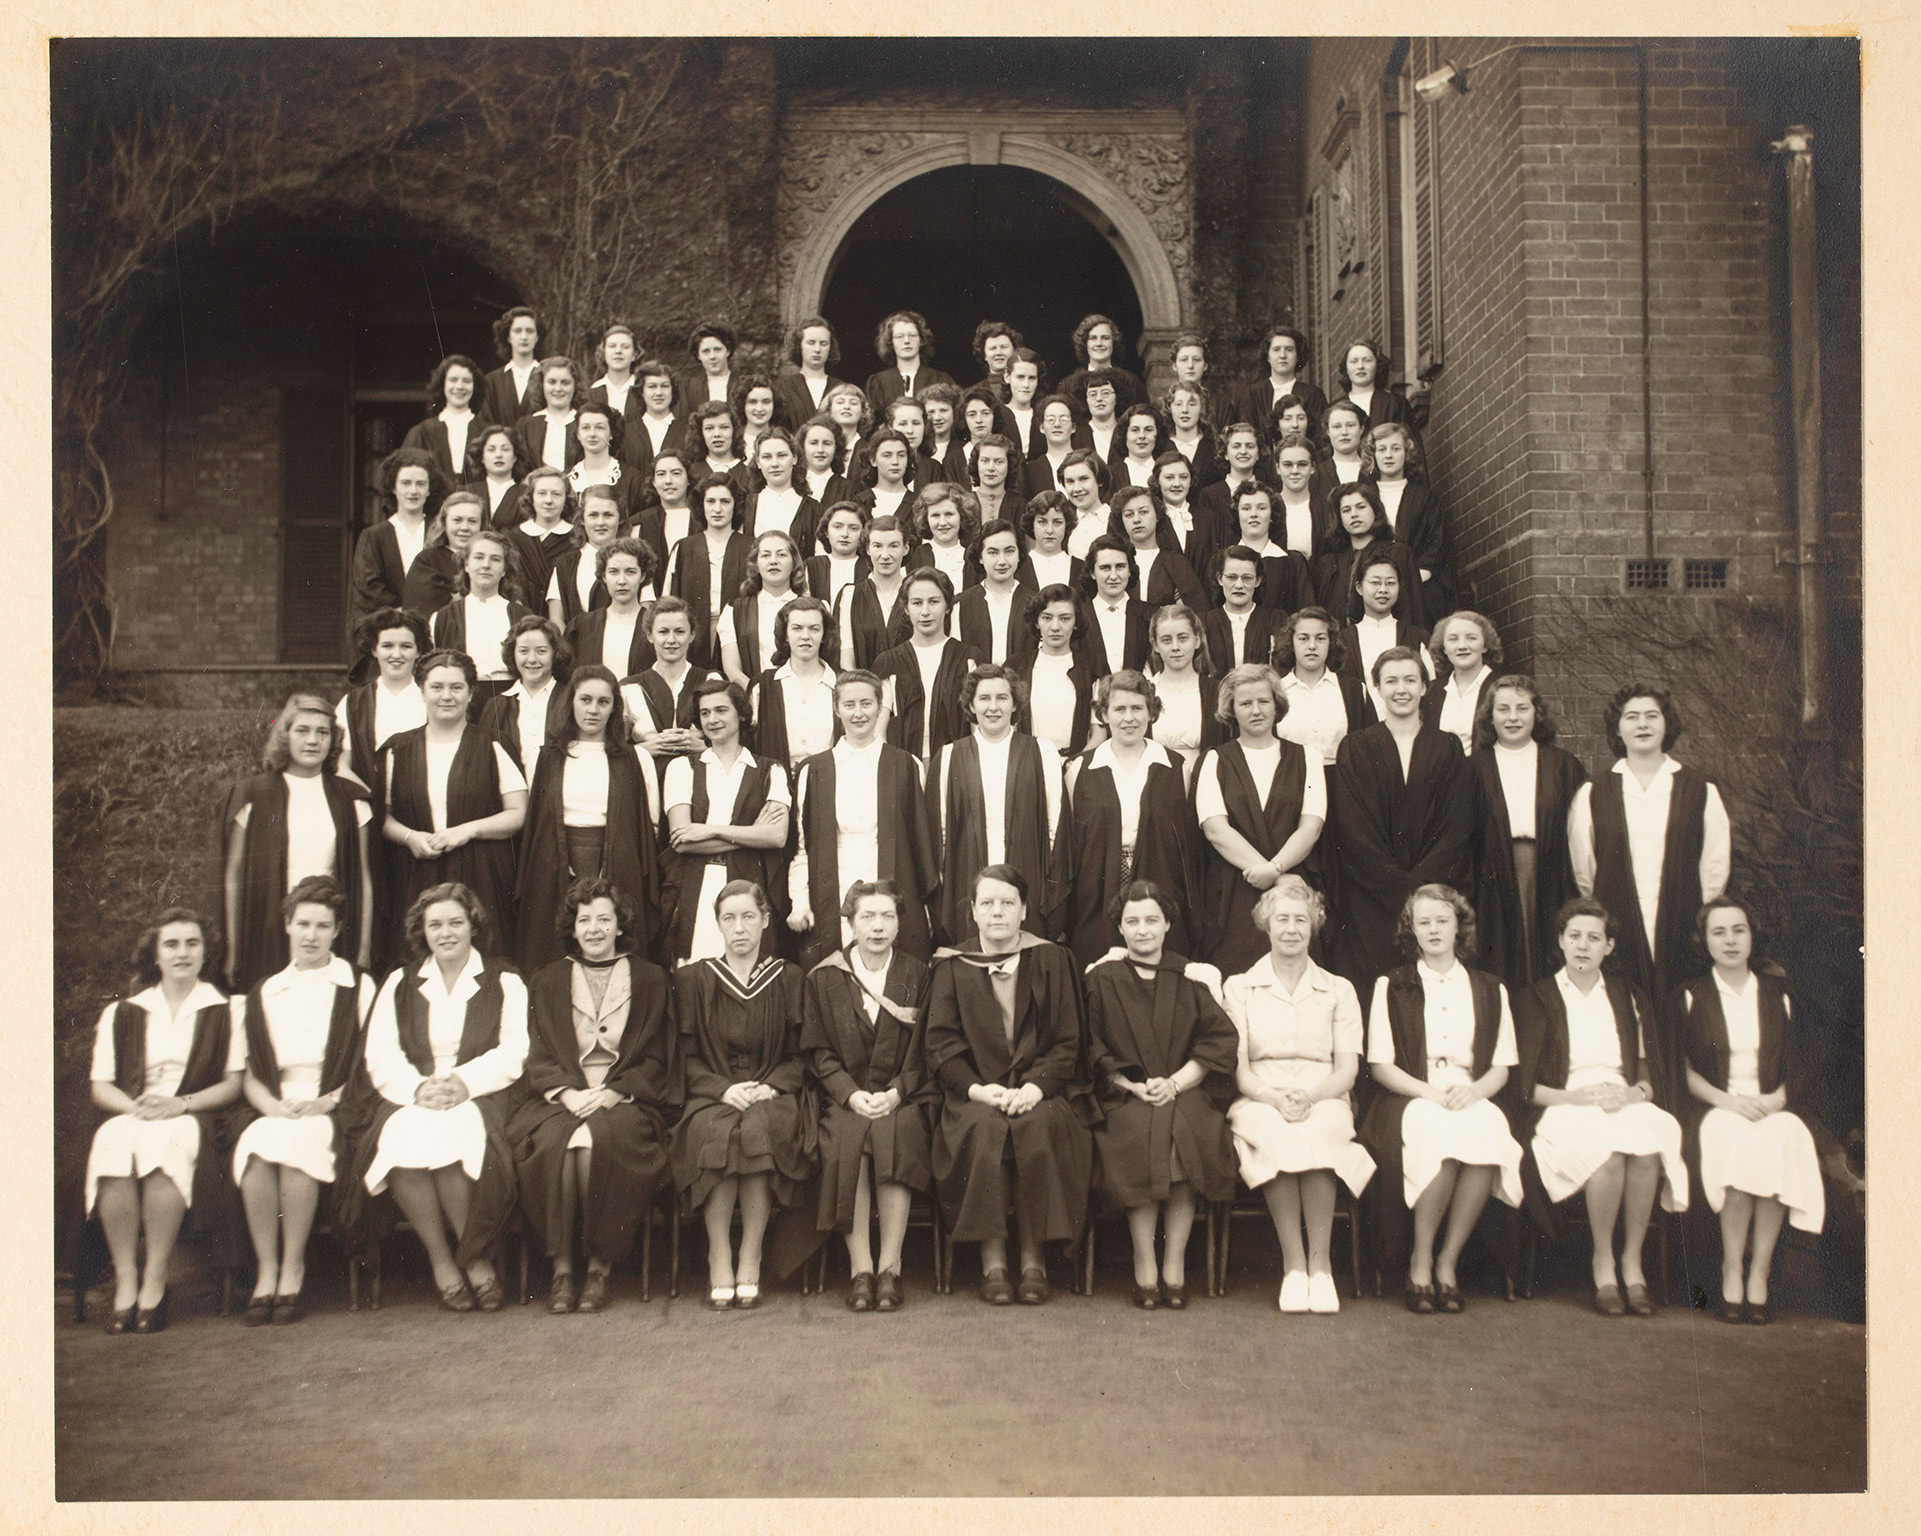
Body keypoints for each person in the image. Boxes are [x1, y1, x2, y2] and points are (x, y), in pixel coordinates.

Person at [346, 882, 529, 1312]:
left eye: (455, 923)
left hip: (482, 1091)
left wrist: (463, 1082)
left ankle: (475, 1255)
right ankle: (443, 1261)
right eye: (435, 925)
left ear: (472, 926)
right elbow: (380, 1052)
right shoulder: (401, 981)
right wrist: (418, 1088)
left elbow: (514, 1049)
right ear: (422, 932)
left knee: (455, 1138)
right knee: (401, 1139)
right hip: (416, 1092)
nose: (446, 933)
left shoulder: (504, 979)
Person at [508, 877, 680, 1315]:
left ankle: (600, 1267)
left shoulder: (650, 979)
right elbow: (537, 1051)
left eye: (604, 919)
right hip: (562, 1096)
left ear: (619, 925)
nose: (595, 928)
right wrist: (566, 1093)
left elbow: (659, 1057)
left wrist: (613, 1093)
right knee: (555, 1146)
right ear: (573, 926)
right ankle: (563, 1268)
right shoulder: (547, 980)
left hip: (625, 1098)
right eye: (585, 920)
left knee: (600, 1144)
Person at [923, 866, 1094, 1305]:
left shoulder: (1053, 960)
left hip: (1041, 1091)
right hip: (974, 1095)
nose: (997, 912)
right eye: (987, 904)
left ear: (1023, 911)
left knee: (1036, 1128)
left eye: (1007, 903)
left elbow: (1068, 1041)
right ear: (973, 913)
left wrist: (1036, 1087)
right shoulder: (951, 965)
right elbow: (940, 1044)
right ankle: (993, 1262)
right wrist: (978, 1090)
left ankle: (1034, 1261)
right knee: (983, 1132)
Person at [1514, 897, 1687, 1317]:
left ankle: (1633, 1260)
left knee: (1646, 1148)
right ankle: (1603, 1260)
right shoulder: (1537, 998)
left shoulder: (1628, 997)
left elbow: (1649, 1072)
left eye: (1594, 938)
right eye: (1574, 936)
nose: (1583, 946)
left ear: (1609, 946)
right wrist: (1572, 1097)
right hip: (1565, 1103)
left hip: (1621, 1098)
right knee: (1608, 1156)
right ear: (1560, 941)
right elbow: (1524, 1087)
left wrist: (1635, 1094)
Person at [1359, 884, 1524, 1313]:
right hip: (1412, 1093)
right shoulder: (1392, 985)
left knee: (1488, 1131)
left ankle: (1448, 1262)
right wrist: (1431, 1092)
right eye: (1423, 922)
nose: (1433, 929)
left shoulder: (1490, 988)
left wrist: (1473, 1092)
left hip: (1471, 1091)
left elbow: (1502, 1067)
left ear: (1459, 927)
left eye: (1442, 921)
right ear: (1410, 930)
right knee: (1439, 1137)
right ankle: (1421, 1257)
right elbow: (1381, 1065)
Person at [86, 909, 245, 1333]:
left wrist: (180, 1104)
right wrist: (134, 1107)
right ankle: (126, 1279)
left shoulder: (227, 1009)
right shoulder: (123, 1013)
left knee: (166, 1146)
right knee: (112, 1143)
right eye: (171, 945)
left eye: (192, 944)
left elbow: (233, 1085)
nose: (182, 953)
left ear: (205, 952)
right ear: (155, 955)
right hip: (135, 1110)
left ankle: (156, 1279)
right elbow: (101, 1086)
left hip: (192, 1114)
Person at [1223, 877, 1376, 1314]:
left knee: (1322, 1129)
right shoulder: (1239, 987)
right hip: (1259, 1095)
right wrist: (1273, 1098)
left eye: (1300, 920)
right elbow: (1239, 1069)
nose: (1291, 928)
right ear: (1265, 925)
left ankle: (1321, 1266)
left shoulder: (1339, 988)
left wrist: (1311, 1097)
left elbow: (1346, 1068)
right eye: (1282, 919)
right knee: (1278, 1132)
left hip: (1325, 1091)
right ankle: (1293, 1267)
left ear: (1315, 926)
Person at [1568, 684, 1732, 1084]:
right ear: (1617, 729)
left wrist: (1697, 919)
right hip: (1622, 924)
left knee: (1678, 1014)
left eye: (1651, 716)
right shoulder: (1595, 792)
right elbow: (1584, 868)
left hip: (1679, 923)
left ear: (1666, 724)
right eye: (1631, 717)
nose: (1642, 725)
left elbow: (1714, 863)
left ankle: (1683, 1114)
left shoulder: (1698, 788)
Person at [230, 877, 376, 1324]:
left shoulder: (357, 986)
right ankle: (266, 1268)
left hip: (335, 1104)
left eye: (323, 926)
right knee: (257, 1148)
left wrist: (327, 1102)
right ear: (287, 926)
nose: (312, 935)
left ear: (337, 932)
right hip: (276, 1104)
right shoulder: (264, 992)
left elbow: (370, 1062)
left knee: (297, 1148)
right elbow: (250, 1074)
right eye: (303, 924)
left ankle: (293, 1265)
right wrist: (272, 1107)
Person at [1086, 882, 1238, 1308]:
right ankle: (1144, 1262)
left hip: (1183, 1090)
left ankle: (1173, 1263)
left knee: (1184, 1134)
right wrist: (1131, 1084)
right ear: (1119, 927)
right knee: (1138, 1133)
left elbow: (1219, 1042)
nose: (1143, 930)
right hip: (1123, 1094)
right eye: (1132, 921)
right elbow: (1089, 1046)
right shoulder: (1101, 980)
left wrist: (1174, 1083)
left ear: (1168, 924)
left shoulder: (1190, 979)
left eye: (1152, 920)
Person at [1680, 899, 1826, 1325]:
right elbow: (1682, 1070)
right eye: (1719, 932)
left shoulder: (1779, 994)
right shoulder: (1690, 996)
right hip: (1717, 1105)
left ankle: (1759, 1269)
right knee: (1734, 1141)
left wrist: (1778, 1098)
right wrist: (1728, 1101)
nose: (1730, 940)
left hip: (1770, 1102)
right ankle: (1731, 1265)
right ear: (1705, 941)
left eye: (1738, 930)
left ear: (1751, 936)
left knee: (1787, 1136)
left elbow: (1801, 1061)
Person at [671, 881, 811, 1309]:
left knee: (760, 1128)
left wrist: (771, 1086)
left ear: (766, 921)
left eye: (748, 917)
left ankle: (750, 1252)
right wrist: (723, 1088)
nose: (739, 928)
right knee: (716, 1132)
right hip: (713, 1093)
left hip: (773, 1090)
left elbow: (801, 1055)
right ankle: (719, 1252)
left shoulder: (789, 978)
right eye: (729, 919)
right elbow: (686, 1057)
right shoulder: (694, 979)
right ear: (717, 924)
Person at [801, 880, 936, 1312]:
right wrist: (850, 1094)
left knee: (897, 1134)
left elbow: (927, 1050)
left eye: (888, 916)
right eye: (867, 917)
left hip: (903, 1098)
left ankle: (890, 1268)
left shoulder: (919, 974)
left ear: (899, 923)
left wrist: (897, 1092)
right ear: (851, 923)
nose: (878, 926)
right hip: (846, 1099)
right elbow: (818, 1052)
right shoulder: (824, 976)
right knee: (848, 1139)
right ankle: (861, 1268)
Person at [1330, 648, 1471, 989]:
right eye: (1391, 681)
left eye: (1410, 680)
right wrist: (1397, 885)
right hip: (1371, 896)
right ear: (1376, 687)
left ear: (1425, 686)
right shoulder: (1356, 746)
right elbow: (1353, 827)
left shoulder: (1447, 746)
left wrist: (1422, 885)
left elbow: (1457, 823)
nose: (1401, 689)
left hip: (1434, 894)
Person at [377, 649, 529, 957]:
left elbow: (518, 813)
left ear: (472, 692)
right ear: (422, 691)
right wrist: (410, 837)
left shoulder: (493, 745)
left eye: (456, 687)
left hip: (481, 874)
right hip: (416, 872)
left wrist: (467, 831)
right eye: (436, 687)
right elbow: (383, 816)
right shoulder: (397, 749)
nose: (446, 696)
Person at [516, 664, 663, 973]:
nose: (593, 710)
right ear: (571, 703)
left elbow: (647, 826)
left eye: (603, 702)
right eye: (585, 700)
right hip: (554, 863)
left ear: (614, 708)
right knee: (554, 952)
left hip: (618, 864)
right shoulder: (545, 757)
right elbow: (537, 822)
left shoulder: (637, 758)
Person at [788, 670, 938, 971]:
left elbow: (921, 843)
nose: (858, 713)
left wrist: (927, 909)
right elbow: (804, 847)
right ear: (836, 709)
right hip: (833, 885)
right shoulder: (813, 770)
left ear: (879, 706)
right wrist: (800, 901)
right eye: (849, 704)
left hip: (893, 880)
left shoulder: (905, 764)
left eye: (867, 704)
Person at [223, 693, 373, 992]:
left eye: (323, 732)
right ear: (284, 736)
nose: (313, 740)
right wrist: (232, 948)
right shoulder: (251, 795)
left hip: (329, 928)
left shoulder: (351, 798)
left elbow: (365, 878)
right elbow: (232, 876)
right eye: (302, 730)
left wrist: (364, 948)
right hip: (266, 924)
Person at [1064, 672, 1204, 968]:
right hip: (1098, 887)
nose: (1129, 718)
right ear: (1103, 714)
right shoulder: (1081, 769)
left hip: (1160, 879)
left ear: (1151, 712)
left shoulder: (1176, 767)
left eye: (1137, 708)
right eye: (1119, 709)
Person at [1195, 664, 1326, 976]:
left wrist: (1276, 869)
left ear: (1276, 704)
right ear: (1231, 709)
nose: (1256, 710)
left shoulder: (1308, 756)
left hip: (1295, 890)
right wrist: (1274, 876)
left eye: (1264, 701)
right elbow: (1215, 829)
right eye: (1245, 703)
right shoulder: (1215, 759)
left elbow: (1312, 825)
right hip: (1235, 892)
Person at [925, 666, 1065, 947]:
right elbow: (938, 833)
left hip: (1028, 872)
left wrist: (1046, 889)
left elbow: (1055, 827)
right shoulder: (950, 755)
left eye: (1002, 698)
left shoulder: (1042, 752)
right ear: (971, 705)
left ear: (1015, 704)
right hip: (966, 876)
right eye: (984, 698)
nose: (993, 707)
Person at [1469, 676, 1589, 991]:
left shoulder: (1563, 765)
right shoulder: (1473, 768)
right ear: (1489, 716)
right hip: (1493, 875)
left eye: (1522, 708)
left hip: (1551, 870)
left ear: (1537, 713)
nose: (1513, 717)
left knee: (1547, 949)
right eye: (1503, 709)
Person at [661, 679, 792, 963]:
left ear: (741, 714)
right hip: (695, 886)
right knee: (696, 973)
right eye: (705, 713)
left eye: (721, 710)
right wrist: (752, 834)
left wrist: (709, 829)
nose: (712, 719)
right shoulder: (682, 767)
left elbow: (776, 836)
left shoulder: (771, 770)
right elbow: (682, 841)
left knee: (749, 972)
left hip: (750, 884)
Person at [874, 569, 982, 760]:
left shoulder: (968, 659)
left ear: (948, 606)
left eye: (934, 602)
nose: (925, 612)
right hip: (904, 763)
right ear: (906, 608)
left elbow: (978, 728)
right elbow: (879, 732)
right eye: (917, 603)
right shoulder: (889, 662)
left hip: (956, 763)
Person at [428, 528, 531, 714]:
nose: (486, 565)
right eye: (479, 557)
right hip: (463, 702)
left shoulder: (523, 617)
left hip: (512, 700)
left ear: (504, 569)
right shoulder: (442, 617)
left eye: (495, 559)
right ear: (466, 565)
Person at [1363, 421, 1451, 619]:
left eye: (1396, 448)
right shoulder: (1364, 496)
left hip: (1417, 587)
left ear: (1407, 453)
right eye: (1382, 449)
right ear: (1373, 455)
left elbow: (1436, 542)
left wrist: (1411, 578)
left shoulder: (1423, 498)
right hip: (1370, 588)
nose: (1388, 455)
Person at [336, 608, 429, 794]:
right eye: (387, 646)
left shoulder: (432, 699)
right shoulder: (353, 703)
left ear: (418, 651)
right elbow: (340, 766)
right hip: (370, 803)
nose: (396, 654)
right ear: (374, 650)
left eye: (406, 646)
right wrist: (372, 801)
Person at [1273, 606, 1376, 773]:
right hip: (1290, 783)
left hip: (1341, 786)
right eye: (1303, 638)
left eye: (1320, 638)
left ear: (1331, 642)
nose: (1312, 646)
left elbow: (1369, 750)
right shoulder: (1276, 692)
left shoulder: (1354, 690)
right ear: (1291, 643)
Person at [668, 475, 752, 670]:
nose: (717, 509)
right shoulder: (684, 548)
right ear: (701, 505)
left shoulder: (750, 547)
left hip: (739, 634)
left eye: (725, 501)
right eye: (711, 501)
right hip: (693, 635)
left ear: (735, 505)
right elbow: (670, 600)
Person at [749, 594, 840, 773]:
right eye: (797, 628)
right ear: (785, 635)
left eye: (814, 629)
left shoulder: (841, 683)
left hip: (830, 783)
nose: (805, 636)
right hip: (776, 788)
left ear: (824, 634)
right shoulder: (763, 686)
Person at [1337, 546, 1433, 714]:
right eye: (1375, 582)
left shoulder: (1417, 637)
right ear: (1359, 588)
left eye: (1390, 583)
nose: (1383, 590)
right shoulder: (1342, 640)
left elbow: (1431, 690)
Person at [351, 448, 441, 627]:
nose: (413, 491)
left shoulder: (439, 531)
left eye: (421, 484)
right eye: (406, 483)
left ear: (429, 489)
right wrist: (402, 614)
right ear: (393, 487)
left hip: (435, 622)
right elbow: (369, 586)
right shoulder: (373, 536)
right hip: (389, 626)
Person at [1314, 482, 1423, 627]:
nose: (1354, 514)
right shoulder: (1329, 563)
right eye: (1346, 510)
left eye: (1361, 507)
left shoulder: (1398, 553)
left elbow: (1413, 609)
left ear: (1375, 511)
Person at [1016, 585, 1102, 759]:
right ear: (1036, 622)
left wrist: (1075, 765)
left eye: (1065, 618)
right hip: (1030, 765)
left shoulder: (1091, 667)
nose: (1055, 627)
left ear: (1076, 622)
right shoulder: (1016, 667)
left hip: (1076, 764)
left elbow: (1099, 734)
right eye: (1047, 618)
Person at [622, 596, 711, 761]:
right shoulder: (629, 688)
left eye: (679, 631)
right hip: (648, 778)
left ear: (692, 635)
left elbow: (730, 742)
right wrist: (643, 749)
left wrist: (702, 747)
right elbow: (615, 749)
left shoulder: (710, 680)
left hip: (699, 777)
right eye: (663, 632)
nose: (671, 640)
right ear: (650, 635)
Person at [479, 615, 568, 779]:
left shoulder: (571, 698)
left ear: (555, 654)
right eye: (523, 651)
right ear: (512, 654)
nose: (532, 659)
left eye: (541, 651)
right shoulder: (497, 705)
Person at [1143, 603, 1223, 780]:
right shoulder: (1144, 693)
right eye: (1166, 640)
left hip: (1204, 784)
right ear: (1155, 645)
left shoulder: (1216, 692)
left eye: (1183, 638)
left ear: (1196, 640)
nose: (1175, 647)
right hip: (1154, 787)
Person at [720, 529, 806, 689]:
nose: (773, 561)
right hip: (754, 697)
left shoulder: (813, 608)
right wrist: (758, 695)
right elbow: (732, 670)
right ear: (756, 564)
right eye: (766, 555)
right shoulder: (734, 610)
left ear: (794, 562)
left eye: (781, 555)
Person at [565, 537, 658, 683]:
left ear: (643, 576)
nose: (622, 581)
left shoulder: (656, 625)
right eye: (614, 572)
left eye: (630, 572)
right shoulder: (582, 624)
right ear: (604, 576)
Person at [834, 513, 912, 669]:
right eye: (877, 546)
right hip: (865, 688)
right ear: (868, 549)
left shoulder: (916, 593)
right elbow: (846, 655)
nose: (885, 555)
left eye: (893, 546)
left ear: (905, 548)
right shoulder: (851, 595)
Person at [954, 518, 1035, 667]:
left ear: (1019, 554)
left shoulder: (1035, 603)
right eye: (993, 553)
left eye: (1009, 551)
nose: (1002, 561)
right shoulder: (962, 604)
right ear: (980, 557)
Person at [1223, 483, 1313, 615]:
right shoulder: (1222, 560)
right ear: (1237, 515)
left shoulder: (1293, 562)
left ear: (1272, 515)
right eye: (1246, 508)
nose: (1254, 514)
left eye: (1262, 508)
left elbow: (1305, 613)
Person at [1114, 485, 1205, 612]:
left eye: (1144, 512)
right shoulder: (1114, 561)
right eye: (1128, 514)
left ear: (1157, 516)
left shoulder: (1175, 562)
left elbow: (1190, 614)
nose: (1136, 520)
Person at [545, 484, 623, 629]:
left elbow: (644, 613)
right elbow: (556, 618)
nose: (600, 522)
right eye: (593, 515)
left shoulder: (635, 561)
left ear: (620, 518)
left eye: (608, 515)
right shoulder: (565, 564)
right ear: (582, 519)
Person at [1422, 611, 1501, 755]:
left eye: (1471, 638)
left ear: (1485, 645)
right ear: (1444, 648)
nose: (1462, 646)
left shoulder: (1502, 688)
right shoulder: (1432, 692)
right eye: (1453, 639)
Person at [405, 491, 486, 621]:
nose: (464, 527)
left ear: (481, 526)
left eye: (472, 521)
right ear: (444, 523)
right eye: (457, 520)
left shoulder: (490, 562)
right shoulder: (427, 561)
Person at [403, 354, 481, 487]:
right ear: (442, 384)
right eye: (453, 380)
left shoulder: (486, 432)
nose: (460, 386)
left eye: (467, 381)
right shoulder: (422, 432)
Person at [1081, 535, 1153, 677]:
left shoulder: (1148, 614)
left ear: (1130, 570)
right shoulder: (1079, 616)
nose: (1113, 576)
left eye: (1120, 567)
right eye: (1105, 568)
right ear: (1092, 573)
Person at [505, 465, 577, 610]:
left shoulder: (576, 538)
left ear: (566, 498)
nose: (548, 500)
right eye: (541, 493)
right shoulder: (512, 538)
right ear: (531, 497)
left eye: (556, 494)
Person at [1235, 326, 1326, 439]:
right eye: (1276, 349)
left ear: (1297, 356)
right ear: (1268, 356)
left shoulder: (1313, 395)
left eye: (1289, 349)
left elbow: (1318, 436)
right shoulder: (1251, 395)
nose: (1283, 355)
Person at [742, 427, 819, 555]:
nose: (775, 464)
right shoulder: (746, 505)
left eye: (782, 455)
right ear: (758, 462)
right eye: (767, 457)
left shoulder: (814, 509)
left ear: (794, 458)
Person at [1202, 546, 1279, 670]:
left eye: (1247, 578)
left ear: (1258, 581)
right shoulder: (1204, 622)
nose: (1239, 585)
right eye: (1232, 577)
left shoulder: (1274, 620)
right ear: (1220, 579)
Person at [864, 309, 955, 410]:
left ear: (921, 340)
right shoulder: (879, 382)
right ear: (891, 343)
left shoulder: (940, 379)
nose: (906, 341)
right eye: (899, 337)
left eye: (912, 335)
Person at [905, 481, 980, 594]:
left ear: (962, 516)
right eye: (935, 515)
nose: (943, 522)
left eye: (949, 514)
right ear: (926, 519)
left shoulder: (974, 557)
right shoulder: (915, 556)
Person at [1059, 313, 1145, 411]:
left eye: (1105, 338)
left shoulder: (1132, 383)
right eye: (1093, 338)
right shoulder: (1068, 385)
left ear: (1113, 342)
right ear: (1084, 344)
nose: (1099, 344)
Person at [588, 320, 645, 467]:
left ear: (634, 355)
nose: (618, 351)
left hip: (638, 463)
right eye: (612, 346)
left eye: (625, 347)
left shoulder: (643, 391)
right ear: (604, 353)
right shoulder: (592, 393)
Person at [1151, 449, 1214, 580]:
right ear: (1158, 481)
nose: (1177, 484)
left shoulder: (1208, 518)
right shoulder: (1152, 520)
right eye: (1169, 477)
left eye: (1183, 477)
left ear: (1191, 481)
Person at [514, 356, 584, 473]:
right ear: (542, 385)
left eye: (565, 383)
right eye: (552, 382)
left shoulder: (584, 422)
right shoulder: (526, 425)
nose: (558, 388)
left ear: (575, 386)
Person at [778, 315, 846, 428]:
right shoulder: (783, 387)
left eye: (823, 343)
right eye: (811, 342)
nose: (817, 349)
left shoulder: (841, 388)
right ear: (799, 346)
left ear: (830, 347)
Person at [479, 306, 543, 424]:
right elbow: (486, 422)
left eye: (529, 331)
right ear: (508, 336)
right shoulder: (492, 381)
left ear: (537, 337)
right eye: (517, 331)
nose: (524, 337)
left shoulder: (547, 376)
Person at [566, 400, 629, 515]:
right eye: (585, 428)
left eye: (599, 428)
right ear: (578, 435)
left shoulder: (631, 478)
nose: (592, 434)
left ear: (611, 434)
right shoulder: (567, 478)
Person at [806, 499, 870, 609]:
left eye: (853, 528)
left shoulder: (870, 566)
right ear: (826, 531)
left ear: (863, 533)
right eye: (837, 527)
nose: (845, 534)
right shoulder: (812, 566)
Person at [1019, 394, 1085, 496]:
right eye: (1051, 420)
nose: (1057, 424)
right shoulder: (1030, 470)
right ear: (1042, 427)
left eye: (1063, 419)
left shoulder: (1087, 463)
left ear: (1073, 427)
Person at [1015, 490, 1080, 593]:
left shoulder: (1080, 569)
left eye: (1057, 522)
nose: (1050, 530)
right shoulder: (1017, 567)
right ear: (1032, 524)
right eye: (1042, 522)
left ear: (1066, 525)